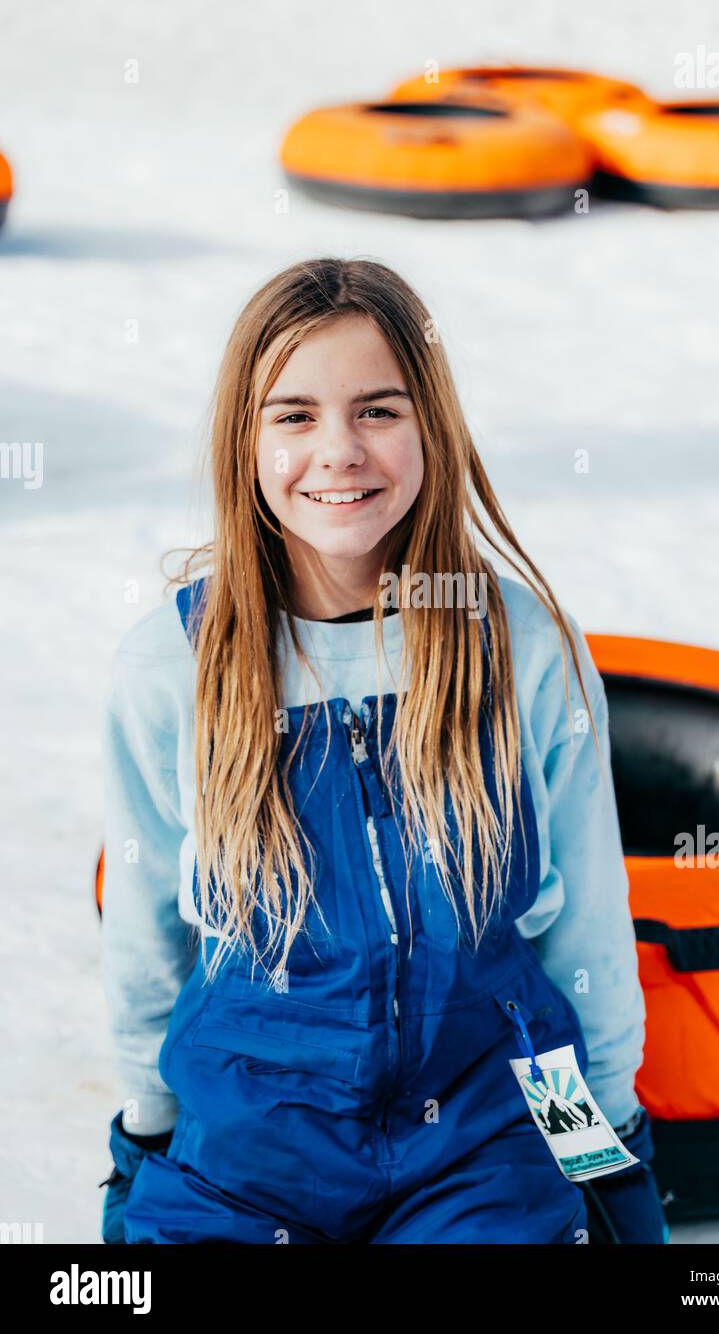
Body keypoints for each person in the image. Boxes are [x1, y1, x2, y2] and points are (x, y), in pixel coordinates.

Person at [98, 256, 669, 1245]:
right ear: (244, 439)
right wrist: (147, 1129)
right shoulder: (172, 666)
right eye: (293, 415)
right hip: (252, 1139)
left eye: (376, 410)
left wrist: (602, 1139)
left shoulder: (518, 646)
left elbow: (581, 930)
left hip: (483, 1133)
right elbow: (147, 930)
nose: (338, 452)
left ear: (428, 427)